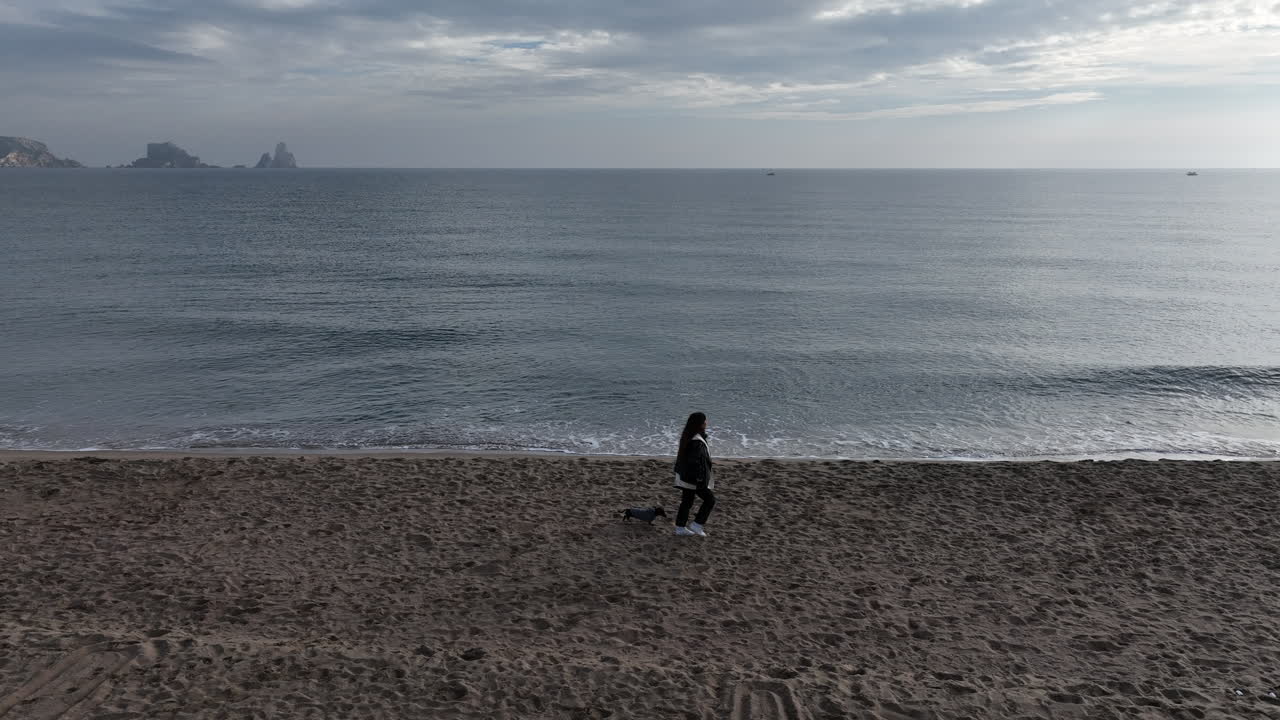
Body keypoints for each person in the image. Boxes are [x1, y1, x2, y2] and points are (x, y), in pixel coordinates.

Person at [673, 411, 715, 537]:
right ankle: (697, 524)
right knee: (710, 500)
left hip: (685, 476)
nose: (707, 423)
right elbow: (696, 462)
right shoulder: (696, 440)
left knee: (687, 501)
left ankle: (680, 528)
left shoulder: (688, 435)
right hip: (693, 478)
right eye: (705, 421)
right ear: (701, 424)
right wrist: (700, 479)